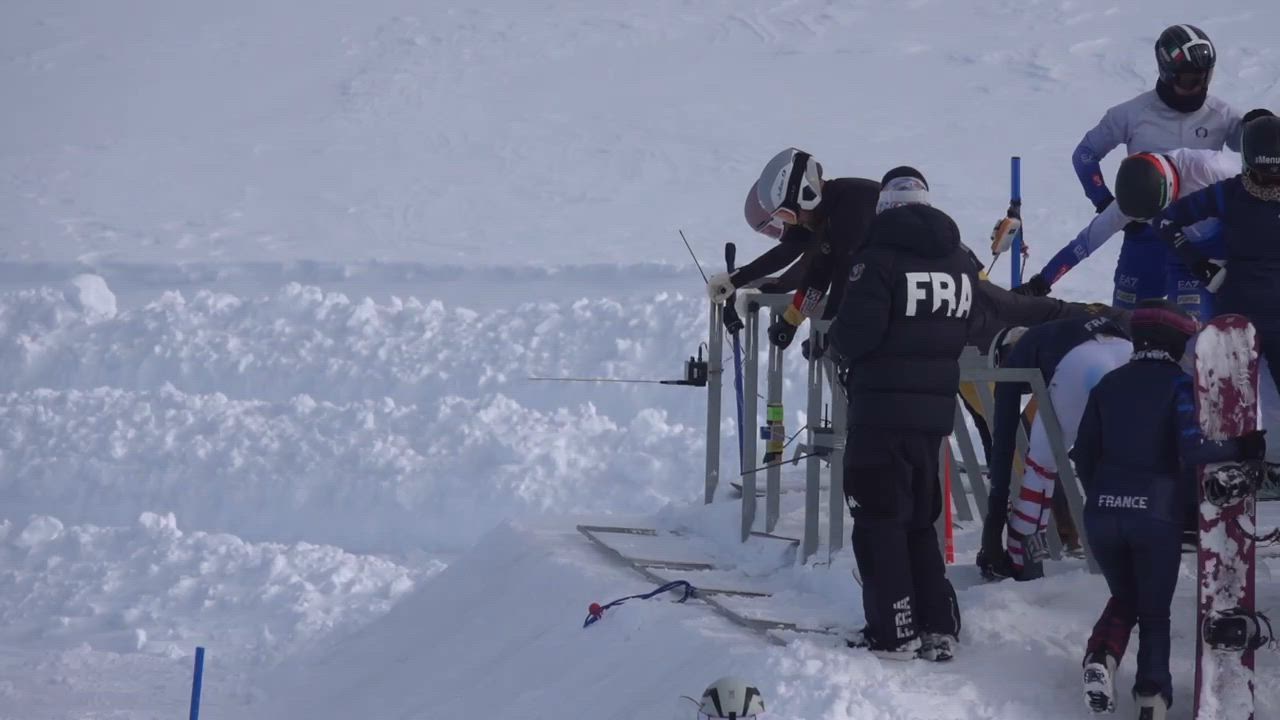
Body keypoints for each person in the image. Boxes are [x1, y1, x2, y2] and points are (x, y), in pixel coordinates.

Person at [1071, 300, 1266, 718]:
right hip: (1154, 514)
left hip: (1102, 513)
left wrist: (1103, 494)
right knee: (1154, 612)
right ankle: (1152, 698)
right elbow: (1193, 449)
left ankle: (1101, 657)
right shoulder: (1179, 386)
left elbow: (1083, 454)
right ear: (1178, 343)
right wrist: (1242, 446)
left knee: (1126, 595)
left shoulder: (1107, 385)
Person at [828, 166, 975, 661]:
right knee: (918, 521)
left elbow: (855, 334)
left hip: (879, 413)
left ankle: (893, 631)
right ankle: (938, 625)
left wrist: (832, 342)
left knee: (878, 521)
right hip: (933, 418)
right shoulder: (959, 262)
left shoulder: (876, 260)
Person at [1042, 24, 1242, 309]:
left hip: (1200, 237)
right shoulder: (1132, 113)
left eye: (1204, 78)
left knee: (1193, 326)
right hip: (1146, 233)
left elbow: (1261, 153)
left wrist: (1260, 123)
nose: (1198, 88)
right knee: (1127, 322)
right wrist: (1105, 201)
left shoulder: (1222, 116)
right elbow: (1085, 155)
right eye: (1189, 80)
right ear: (1167, 73)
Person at [1153, 110, 1280, 492]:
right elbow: (1165, 220)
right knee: (1234, 398)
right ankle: (1240, 467)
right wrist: (1199, 264)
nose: (1272, 184)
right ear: (1248, 166)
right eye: (1263, 175)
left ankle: (1272, 466)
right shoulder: (1230, 192)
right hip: (1237, 313)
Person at [977, 314, 1132, 580]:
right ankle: (1134, 546)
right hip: (1127, 351)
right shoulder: (1059, 328)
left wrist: (993, 527)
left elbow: (1003, 441)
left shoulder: (1021, 352)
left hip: (1082, 366)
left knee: (1040, 466)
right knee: (1126, 458)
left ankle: (1022, 558)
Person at [1015, 147, 1240, 320]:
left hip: (1227, 242)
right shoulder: (1128, 202)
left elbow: (1253, 200)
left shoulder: (1213, 168)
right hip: (1182, 256)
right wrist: (1039, 284)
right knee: (1187, 328)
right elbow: (1084, 244)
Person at [706, 148, 880, 349]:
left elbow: (843, 278)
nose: (793, 223)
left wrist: (827, 332)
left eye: (786, 216)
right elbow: (816, 273)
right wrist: (791, 321)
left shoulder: (851, 207)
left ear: (806, 195)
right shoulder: (830, 211)